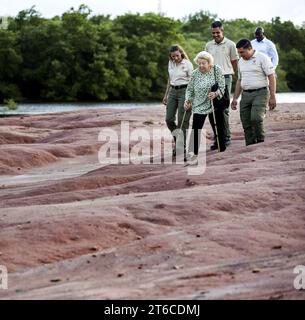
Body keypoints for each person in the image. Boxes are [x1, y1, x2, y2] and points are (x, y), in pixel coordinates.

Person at [231, 39, 276, 146]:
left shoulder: (262, 58)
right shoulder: (241, 61)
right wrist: (235, 98)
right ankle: (250, 145)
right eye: (239, 53)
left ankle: (260, 141)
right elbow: (239, 80)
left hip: (261, 93)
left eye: (242, 52)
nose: (240, 55)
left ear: (250, 49)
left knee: (256, 118)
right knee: (245, 122)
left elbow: (271, 76)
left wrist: (273, 96)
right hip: (245, 94)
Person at [184, 51, 226, 164]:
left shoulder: (216, 69)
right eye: (199, 63)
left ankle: (222, 149)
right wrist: (188, 100)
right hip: (199, 104)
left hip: (213, 103)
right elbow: (190, 89)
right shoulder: (195, 73)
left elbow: (222, 86)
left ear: (209, 63)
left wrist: (216, 93)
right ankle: (193, 154)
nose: (201, 66)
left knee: (219, 126)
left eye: (204, 63)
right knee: (196, 129)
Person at [205, 21, 239, 149]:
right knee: (211, 110)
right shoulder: (208, 45)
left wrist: (236, 77)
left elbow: (234, 62)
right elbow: (205, 63)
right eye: (213, 33)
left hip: (225, 77)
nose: (215, 35)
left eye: (217, 32)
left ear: (222, 31)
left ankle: (226, 138)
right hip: (211, 78)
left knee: (223, 109)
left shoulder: (231, 44)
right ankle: (218, 138)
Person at [163, 44, 193, 160]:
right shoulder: (170, 63)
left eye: (177, 55)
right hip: (173, 92)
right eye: (173, 56)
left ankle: (181, 147)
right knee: (169, 119)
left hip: (185, 92)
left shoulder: (187, 64)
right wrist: (166, 95)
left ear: (181, 53)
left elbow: (192, 82)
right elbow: (170, 79)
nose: (175, 58)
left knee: (182, 121)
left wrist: (190, 99)